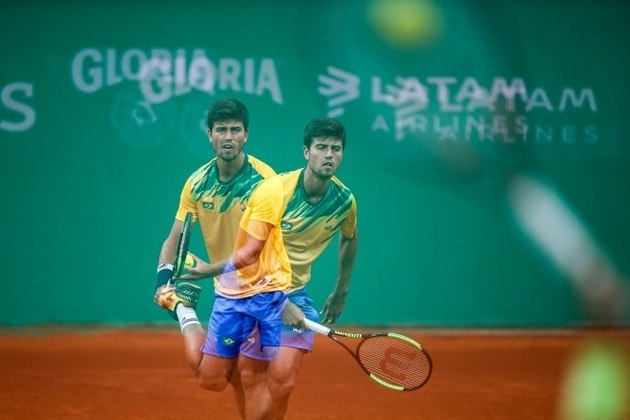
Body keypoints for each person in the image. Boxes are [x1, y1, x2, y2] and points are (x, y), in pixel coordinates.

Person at [207, 116, 359, 419]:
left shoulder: (344, 201)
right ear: (306, 152)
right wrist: (279, 300)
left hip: (296, 293)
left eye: (336, 149)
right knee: (248, 376)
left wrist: (341, 289)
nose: (329, 155)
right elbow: (251, 254)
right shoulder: (276, 193)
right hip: (254, 293)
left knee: (282, 381)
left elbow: (349, 238)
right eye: (321, 148)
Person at [153, 98, 290, 420]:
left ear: (246, 135)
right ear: (210, 135)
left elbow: (258, 249)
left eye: (235, 130)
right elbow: (173, 240)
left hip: (263, 290)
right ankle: (184, 309)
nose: (228, 136)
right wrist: (163, 284)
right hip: (228, 294)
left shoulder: (264, 182)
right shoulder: (197, 184)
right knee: (212, 379)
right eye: (221, 130)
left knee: (252, 374)